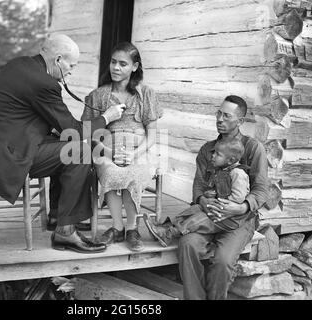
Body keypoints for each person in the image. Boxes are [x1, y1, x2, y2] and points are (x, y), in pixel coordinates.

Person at [0, 33, 127, 254]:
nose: (71, 71)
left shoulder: (20, 64)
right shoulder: (43, 83)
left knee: (65, 143)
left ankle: (59, 217)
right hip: (7, 157)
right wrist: (107, 117)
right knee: (79, 151)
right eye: (71, 65)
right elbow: (74, 129)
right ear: (58, 59)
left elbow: (34, 116)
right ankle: (65, 230)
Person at [143, 95, 269, 299]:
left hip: (240, 218)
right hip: (209, 213)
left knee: (223, 260)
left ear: (240, 121)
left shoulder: (253, 148)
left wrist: (242, 207)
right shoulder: (208, 151)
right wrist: (204, 201)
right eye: (218, 113)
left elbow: (262, 190)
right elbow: (198, 188)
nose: (219, 119)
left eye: (226, 115)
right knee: (187, 245)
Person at [81, 42, 163, 252]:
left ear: (135, 67)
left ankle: (131, 228)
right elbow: (88, 131)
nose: (116, 68)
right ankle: (117, 228)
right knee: (109, 173)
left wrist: (135, 153)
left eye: (123, 64)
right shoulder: (98, 95)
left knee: (135, 173)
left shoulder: (146, 94)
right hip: (106, 147)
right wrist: (109, 152)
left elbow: (152, 133)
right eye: (113, 62)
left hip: (140, 148)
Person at [149, 138, 250, 244]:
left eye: (218, 154)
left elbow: (238, 197)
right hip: (217, 209)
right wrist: (211, 194)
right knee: (194, 209)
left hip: (229, 217)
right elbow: (221, 190)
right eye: (214, 152)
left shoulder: (238, 174)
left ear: (230, 160)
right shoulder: (221, 170)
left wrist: (221, 204)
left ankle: (168, 234)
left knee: (199, 219)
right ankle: (166, 226)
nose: (213, 156)